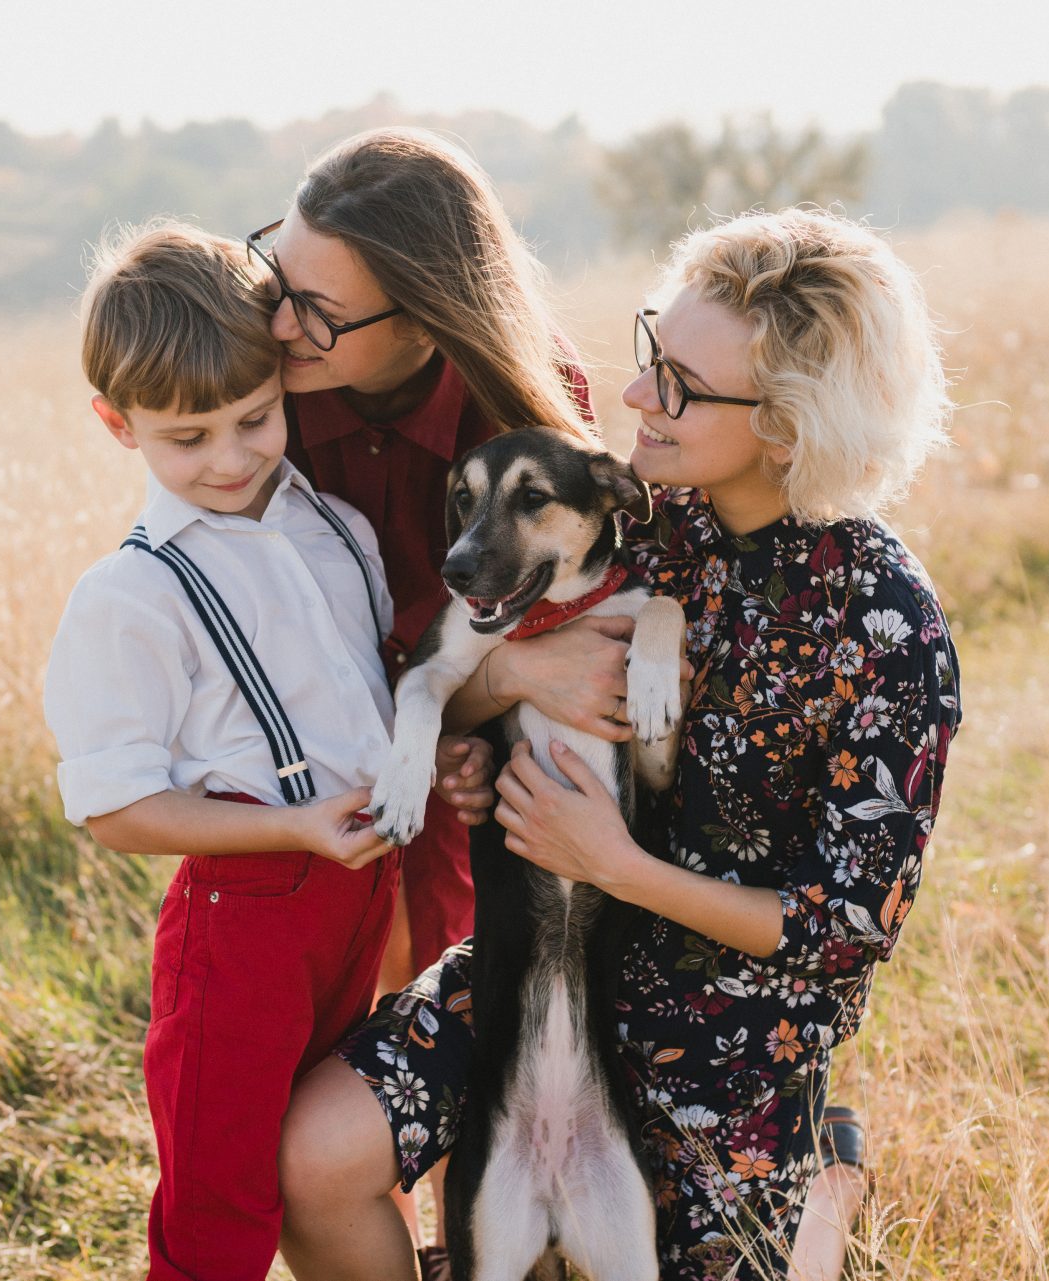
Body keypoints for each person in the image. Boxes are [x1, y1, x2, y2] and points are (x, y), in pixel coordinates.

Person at [279, 208, 961, 1281]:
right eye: (653, 353)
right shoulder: (624, 518)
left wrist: (619, 865)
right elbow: (448, 677)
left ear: (787, 423)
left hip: (735, 1037)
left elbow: (843, 933)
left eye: (681, 385)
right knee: (310, 1160)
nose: (636, 394)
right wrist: (486, 710)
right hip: (530, 972)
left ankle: (825, 1189)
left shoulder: (887, 625)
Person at [43, 223, 487, 1281]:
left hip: (356, 903)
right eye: (187, 438)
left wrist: (435, 763)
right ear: (119, 425)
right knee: (219, 1206)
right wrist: (289, 826)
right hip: (240, 928)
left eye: (255, 419)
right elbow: (115, 811)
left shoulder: (336, 530)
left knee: (326, 1154)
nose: (232, 459)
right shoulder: (132, 596)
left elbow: (374, 708)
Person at [250, 129, 629, 1270]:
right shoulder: (264, 388)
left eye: (321, 314)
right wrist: (494, 676)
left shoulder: (527, 402)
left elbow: (584, 651)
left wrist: (488, 695)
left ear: (424, 317)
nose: (280, 326)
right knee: (311, 1083)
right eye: (280, 279)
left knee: (475, 1047)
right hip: (313, 760)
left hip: (479, 775)